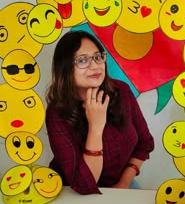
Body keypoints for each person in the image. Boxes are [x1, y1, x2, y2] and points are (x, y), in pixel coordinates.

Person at [45, 30, 154, 195]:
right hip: (73, 191)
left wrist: (123, 183)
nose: (95, 65)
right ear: (65, 68)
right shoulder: (56, 113)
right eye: (82, 60)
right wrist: (96, 127)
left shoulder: (121, 91)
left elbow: (145, 144)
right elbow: (84, 185)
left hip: (123, 183)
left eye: (97, 57)